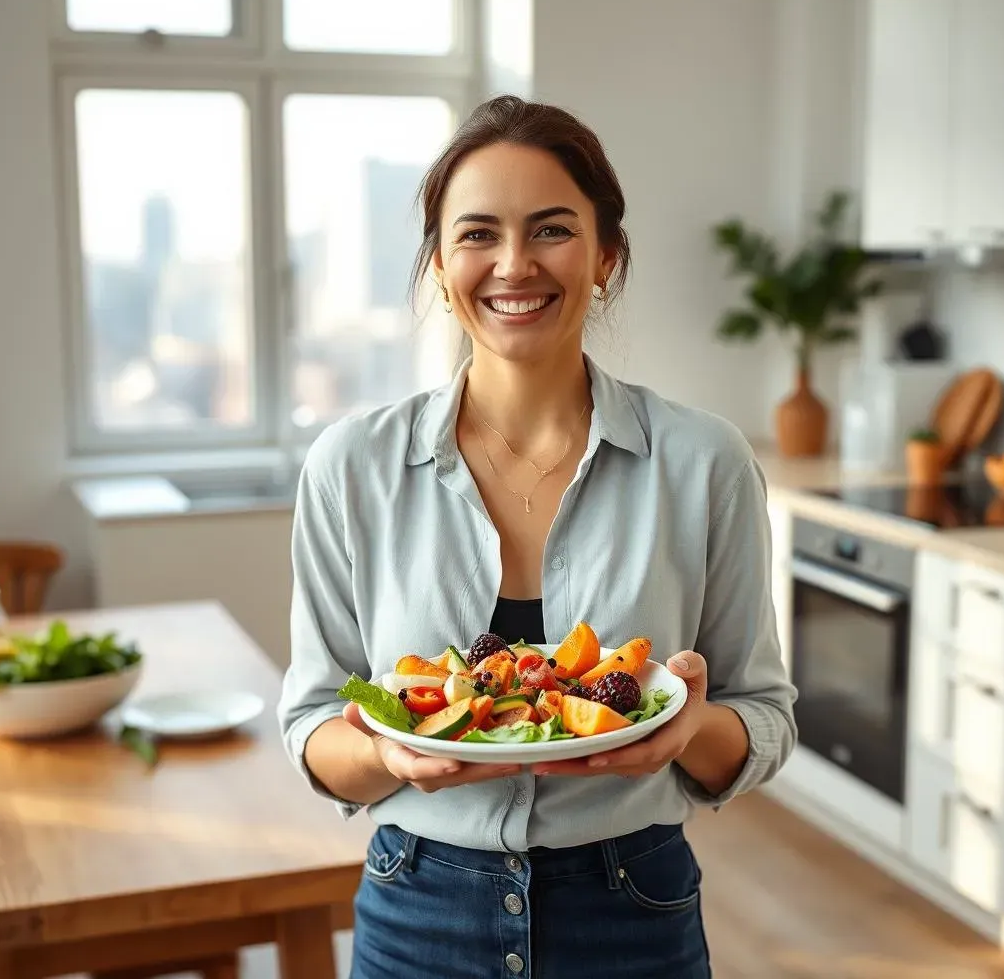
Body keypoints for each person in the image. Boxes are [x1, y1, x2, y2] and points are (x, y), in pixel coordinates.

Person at [277, 94, 797, 979]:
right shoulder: (349, 467)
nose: (513, 265)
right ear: (440, 265)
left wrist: (687, 728)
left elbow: (763, 718)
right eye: (477, 234)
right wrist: (387, 753)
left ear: (606, 256)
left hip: (632, 902)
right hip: (418, 905)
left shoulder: (703, 462)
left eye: (551, 229)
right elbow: (313, 724)